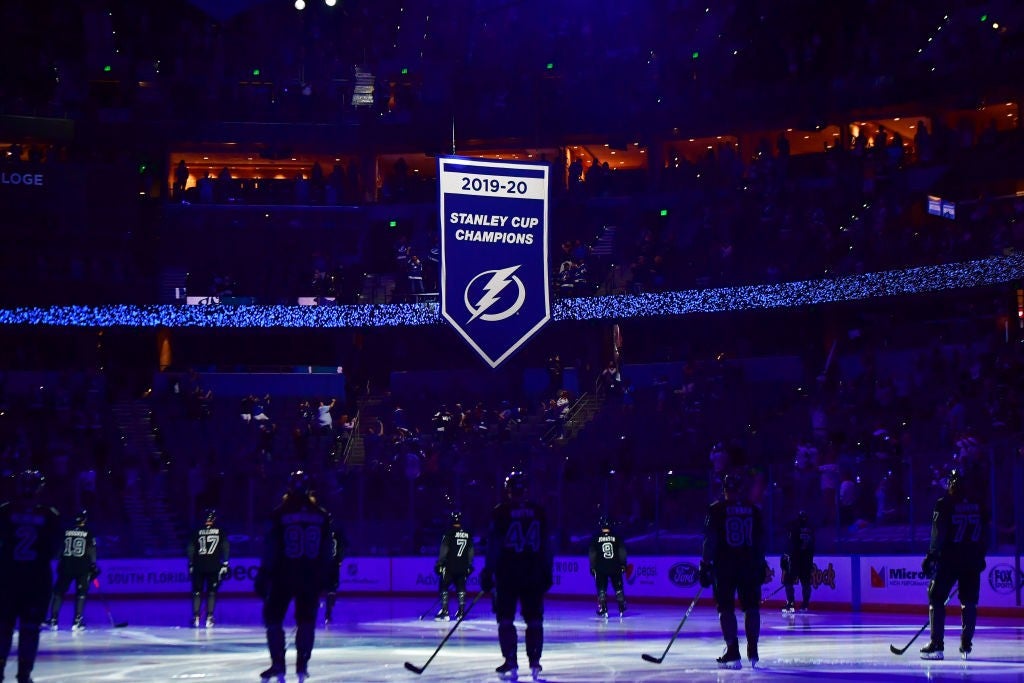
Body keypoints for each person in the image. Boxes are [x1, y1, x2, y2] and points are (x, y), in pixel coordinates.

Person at [256, 471, 334, 683]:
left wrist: (264, 573)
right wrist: (327, 576)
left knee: (273, 618)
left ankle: (278, 664)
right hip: (310, 575)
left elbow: (270, 547)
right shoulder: (321, 515)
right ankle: (302, 666)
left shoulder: (279, 514)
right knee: (306, 621)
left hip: (283, 574)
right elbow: (328, 549)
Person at [480, 471, 553, 680]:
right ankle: (535, 660)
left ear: (508, 490)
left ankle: (510, 659)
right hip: (533, 573)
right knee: (534, 619)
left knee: (505, 618)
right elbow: (547, 545)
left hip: (508, 574)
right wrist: (547, 570)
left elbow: (494, 545)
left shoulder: (500, 512)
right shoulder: (538, 512)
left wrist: (488, 571)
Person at [699, 473, 768, 670]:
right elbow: (761, 540)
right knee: (751, 607)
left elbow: (709, 540)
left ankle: (732, 651)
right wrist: (762, 563)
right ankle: (753, 650)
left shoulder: (716, 510)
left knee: (725, 608)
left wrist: (705, 564)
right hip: (750, 565)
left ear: (724, 489)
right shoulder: (754, 510)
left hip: (725, 566)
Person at [920, 467, 989, 660]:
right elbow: (986, 535)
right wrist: (981, 556)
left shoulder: (944, 504)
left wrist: (931, 556)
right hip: (972, 560)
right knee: (969, 601)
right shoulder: (980, 504)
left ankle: (936, 645)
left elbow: (938, 534)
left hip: (949, 560)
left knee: (935, 596)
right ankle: (966, 645)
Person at [0, 470, 61, 683]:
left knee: (3, 628)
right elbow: (54, 548)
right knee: (30, 629)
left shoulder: (5, 511)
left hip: (7, 579)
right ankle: (24, 675)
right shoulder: (49, 515)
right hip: (35, 581)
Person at [45, 509, 99, 631]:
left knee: (58, 592)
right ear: (85, 519)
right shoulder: (88, 532)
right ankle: (77, 621)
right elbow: (92, 550)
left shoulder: (66, 531)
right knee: (81, 593)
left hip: (66, 565)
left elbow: (61, 548)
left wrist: (59, 561)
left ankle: (53, 620)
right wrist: (94, 564)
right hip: (82, 567)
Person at [186, 508, 230, 628]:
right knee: (212, 592)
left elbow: (190, 548)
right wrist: (225, 563)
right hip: (213, 566)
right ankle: (209, 617)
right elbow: (225, 547)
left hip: (198, 566)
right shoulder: (220, 531)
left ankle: (195, 617)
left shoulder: (196, 531)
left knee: (197, 592)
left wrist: (190, 564)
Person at [433, 511, 475, 621]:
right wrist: (469, 565)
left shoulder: (448, 534)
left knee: (444, 586)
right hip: (463, 566)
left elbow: (444, 550)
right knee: (461, 587)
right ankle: (461, 612)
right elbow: (471, 551)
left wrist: (439, 564)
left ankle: (445, 612)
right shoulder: (468, 534)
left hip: (449, 566)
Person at [588, 515, 627, 619]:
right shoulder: (617, 537)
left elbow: (592, 553)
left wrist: (592, 566)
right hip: (615, 566)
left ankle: (603, 609)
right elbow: (622, 551)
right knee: (618, 587)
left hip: (601, 567)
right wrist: (623, 564)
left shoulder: (595, 538)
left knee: (601, 588)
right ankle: (621, 606)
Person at [781, 510, 815, 613]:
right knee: (805, 583)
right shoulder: (811, 528)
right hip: (806, 560)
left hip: (796, 559)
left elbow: (791, 544)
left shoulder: (794, 527)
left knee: (789, 581)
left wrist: (787, 556)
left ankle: (791, 604)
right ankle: (804, 605)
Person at [323, 527, 347, 626]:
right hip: (334, 566)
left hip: (327, 565)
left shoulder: (325, 537)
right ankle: (329, 611)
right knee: (332, 590)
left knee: (329, 590)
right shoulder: (338, 537)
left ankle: (328, 612)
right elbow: (342, 550)